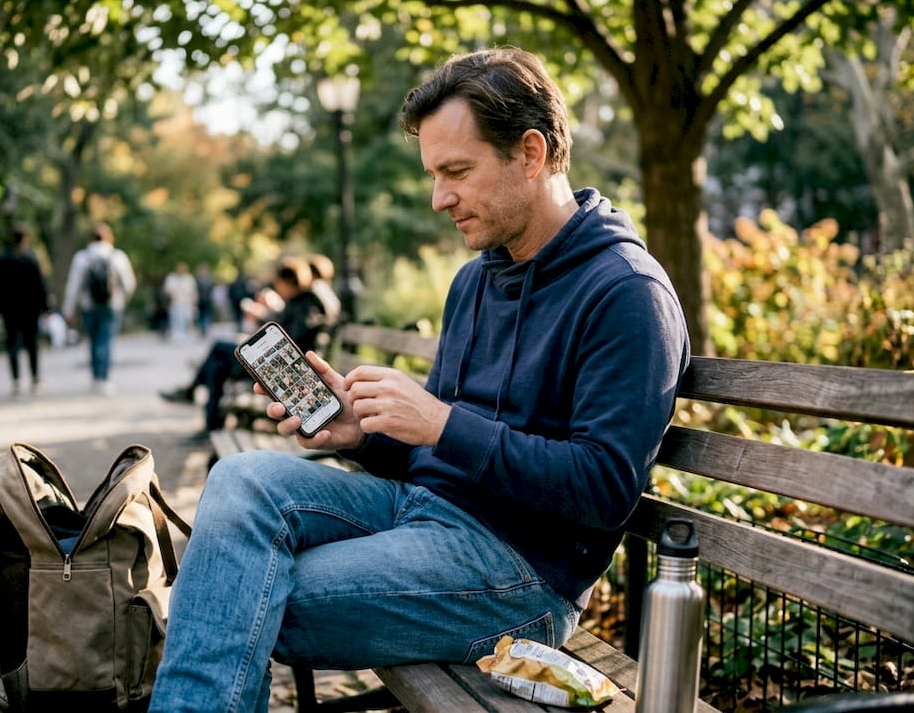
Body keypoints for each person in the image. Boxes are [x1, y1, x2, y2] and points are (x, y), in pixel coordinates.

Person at [148, 48, 690, 712]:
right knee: (239, 482)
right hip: (421, 515)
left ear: (530, 152)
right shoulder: (475, 281)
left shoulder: (625, 294)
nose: (439, 199)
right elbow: (437, 458)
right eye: (434, 175)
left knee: (240, 593)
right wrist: (361, 437)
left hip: (520, 576)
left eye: (456, 172)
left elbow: (603, 490)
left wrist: (440, 422)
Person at [159, 256, 327, 437]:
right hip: (276, 362)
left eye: (278, 284)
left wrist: (263, 316)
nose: (277, 289)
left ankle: (203, 410)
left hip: (281, 368)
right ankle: (208, 418)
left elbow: (288, 340)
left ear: (288, 282)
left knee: (218, 355)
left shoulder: (305, 304)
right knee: (218, 361)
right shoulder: (301, 302)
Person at [62, 222, 137, 395]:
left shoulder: (82, 257)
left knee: (94, 341)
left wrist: (69, 309)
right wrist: (122, 300)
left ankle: (96, 377)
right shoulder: (117, 256)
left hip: (90, 306)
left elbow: (74, 285)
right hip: (112, 305)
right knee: (106, 340)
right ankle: (104, 378)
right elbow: (129, 283)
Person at [0, 224, 50, 396]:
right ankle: (35, 377)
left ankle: (16, 379)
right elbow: (40, 285)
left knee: (12, 344)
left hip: (10, 309)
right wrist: (45, 306)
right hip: (30, 308)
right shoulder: (30, 259)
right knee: (32, 344)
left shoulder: (2, 260)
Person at [162, 262, 198, 344]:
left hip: (187, 303)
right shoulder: (171, 278)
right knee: (176, 319)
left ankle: (184, 335)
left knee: (187, 319)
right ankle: (177, 336)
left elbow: (193, 291)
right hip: (176, 302)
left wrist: (194, 301)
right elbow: (167, 290)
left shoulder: (189, 278)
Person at [194, 263, 215, 336]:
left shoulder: (209, 279)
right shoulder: (198, 279)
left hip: (207, 300)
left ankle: (205, 329)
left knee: (206, 315)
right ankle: (203, 329)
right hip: (201, 300)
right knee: (202, 315)